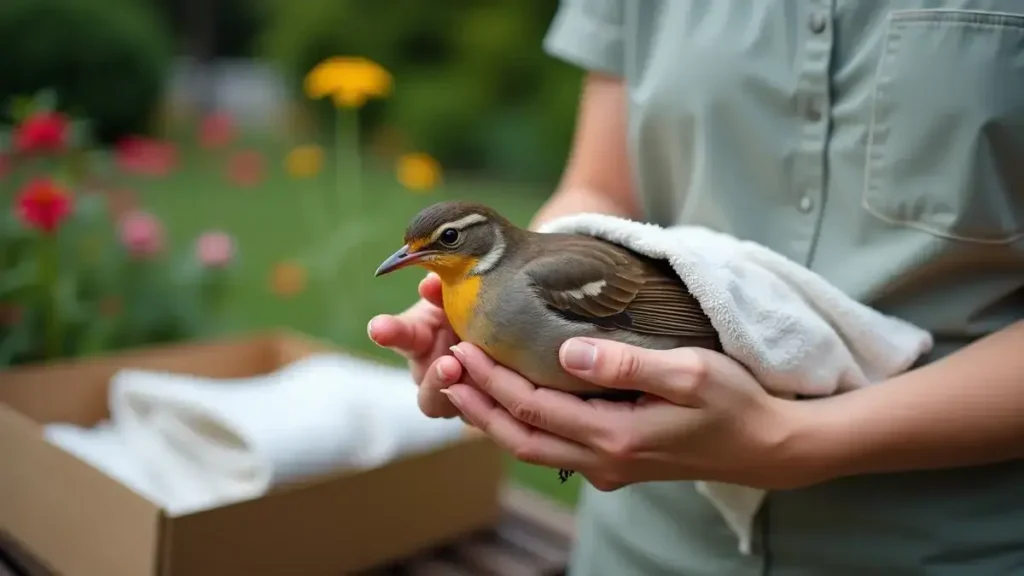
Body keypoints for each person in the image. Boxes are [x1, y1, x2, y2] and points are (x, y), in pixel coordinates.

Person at [368, 1, 1024, 574]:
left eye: (445, 242)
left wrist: (786, 427)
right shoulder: (486, 290)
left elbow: (648, 309)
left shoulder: (527, 282)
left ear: (484, 239)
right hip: (644, 545)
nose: (416, 258)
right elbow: (599, 188)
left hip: (941, 549)